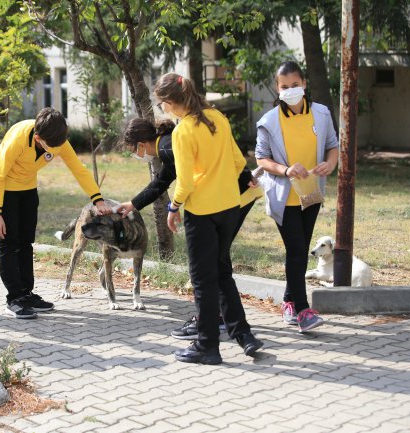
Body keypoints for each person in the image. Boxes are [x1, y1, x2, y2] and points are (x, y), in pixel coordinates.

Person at [116, 117, 263, 341]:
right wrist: (133, 203)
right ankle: (223, 319)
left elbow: (189, 174)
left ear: (141, 144)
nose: (135, 155)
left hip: (230, 197)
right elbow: (162, 181)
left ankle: (213, 319)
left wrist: (173, 207)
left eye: (132, 149)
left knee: (212, 262)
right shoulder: (166, 145)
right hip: (234, 195)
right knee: (218, 261)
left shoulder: (166, 147)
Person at [153, 73, 263, 365]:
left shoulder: (182, 130)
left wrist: (173, 208)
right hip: (229, 206)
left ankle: (207, 346)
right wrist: (245, 177)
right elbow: (239, 160)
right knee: (222, 272)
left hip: (201, 212)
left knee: (203, 280)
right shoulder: (217, 118)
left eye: (162, 104)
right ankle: (245, 336)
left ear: (172, 103)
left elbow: (185, 181)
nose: (163, 109)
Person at [0, 107, 112, 319]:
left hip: (28, 189)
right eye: (52, 146)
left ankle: (27, 294)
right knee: (9, 242)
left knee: (26, 242)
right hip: (7, 190)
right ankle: (14, 298)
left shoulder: (57, 139)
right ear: (37, 138)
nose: (57, 149)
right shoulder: (19, 138)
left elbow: (78, 169)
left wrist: (97, 199)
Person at [254, 61, 339, 333]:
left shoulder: (322, 114)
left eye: (295, 85)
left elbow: (333, 146)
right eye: (284, 86)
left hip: (311, 194)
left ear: (304, 84)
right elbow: (261, 158)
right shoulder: (269, 121)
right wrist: (286, 169)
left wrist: (330, 164)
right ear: (277, 89)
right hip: (283, 197)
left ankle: (288, 302)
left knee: (301, 250)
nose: (290, 90)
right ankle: (303, 311)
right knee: (296, 248)